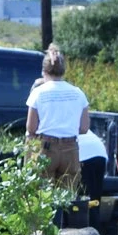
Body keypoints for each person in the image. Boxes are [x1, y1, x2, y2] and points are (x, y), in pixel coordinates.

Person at [25, 46, 89, 189]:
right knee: (67, 198)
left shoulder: (38, 93)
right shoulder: (78, 93)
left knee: (42, 198)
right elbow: (84, 128)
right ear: (63, 71)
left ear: (44, 71)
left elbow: (31, 127)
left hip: (46, 148)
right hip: (71, 149)